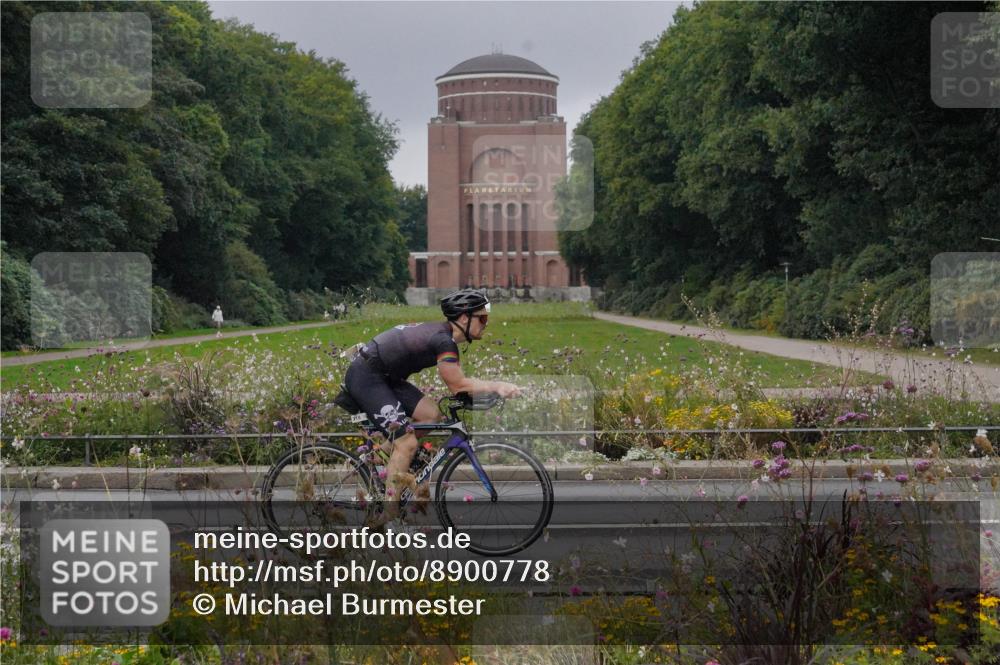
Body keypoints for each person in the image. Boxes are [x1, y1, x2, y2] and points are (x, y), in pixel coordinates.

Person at [337, 288, 520, 523]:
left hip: (384, 376)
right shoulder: (443, 340)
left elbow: (458, 383)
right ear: (464, 318)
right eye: (482, 317)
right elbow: (457, 384)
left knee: (430, 414)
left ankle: (382, 454)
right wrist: (497, 386)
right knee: (407, 443)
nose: (486, 323)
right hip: (367, 376)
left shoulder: (445, 336)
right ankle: (389, 516)